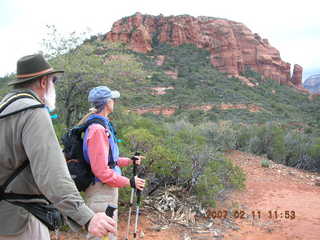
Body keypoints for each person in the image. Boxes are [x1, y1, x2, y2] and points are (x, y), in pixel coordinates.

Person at [0, 54, 116, 239]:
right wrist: (87, 218)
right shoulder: (32, 111)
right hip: (22, 222)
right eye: (53, 80)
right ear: (43, 82)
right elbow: (51, 174)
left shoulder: (5, 110)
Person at [81, 86, 145, 240]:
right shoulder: (97, 129)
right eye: (112, 99)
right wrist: (129, 182)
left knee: (108, 234)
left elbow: (109, 161)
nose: (114, 102)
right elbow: (101, 171)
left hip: (104, 191)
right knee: (102, 236)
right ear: (107, 102)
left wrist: (129, 161)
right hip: (100, 192)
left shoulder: (101, 125)